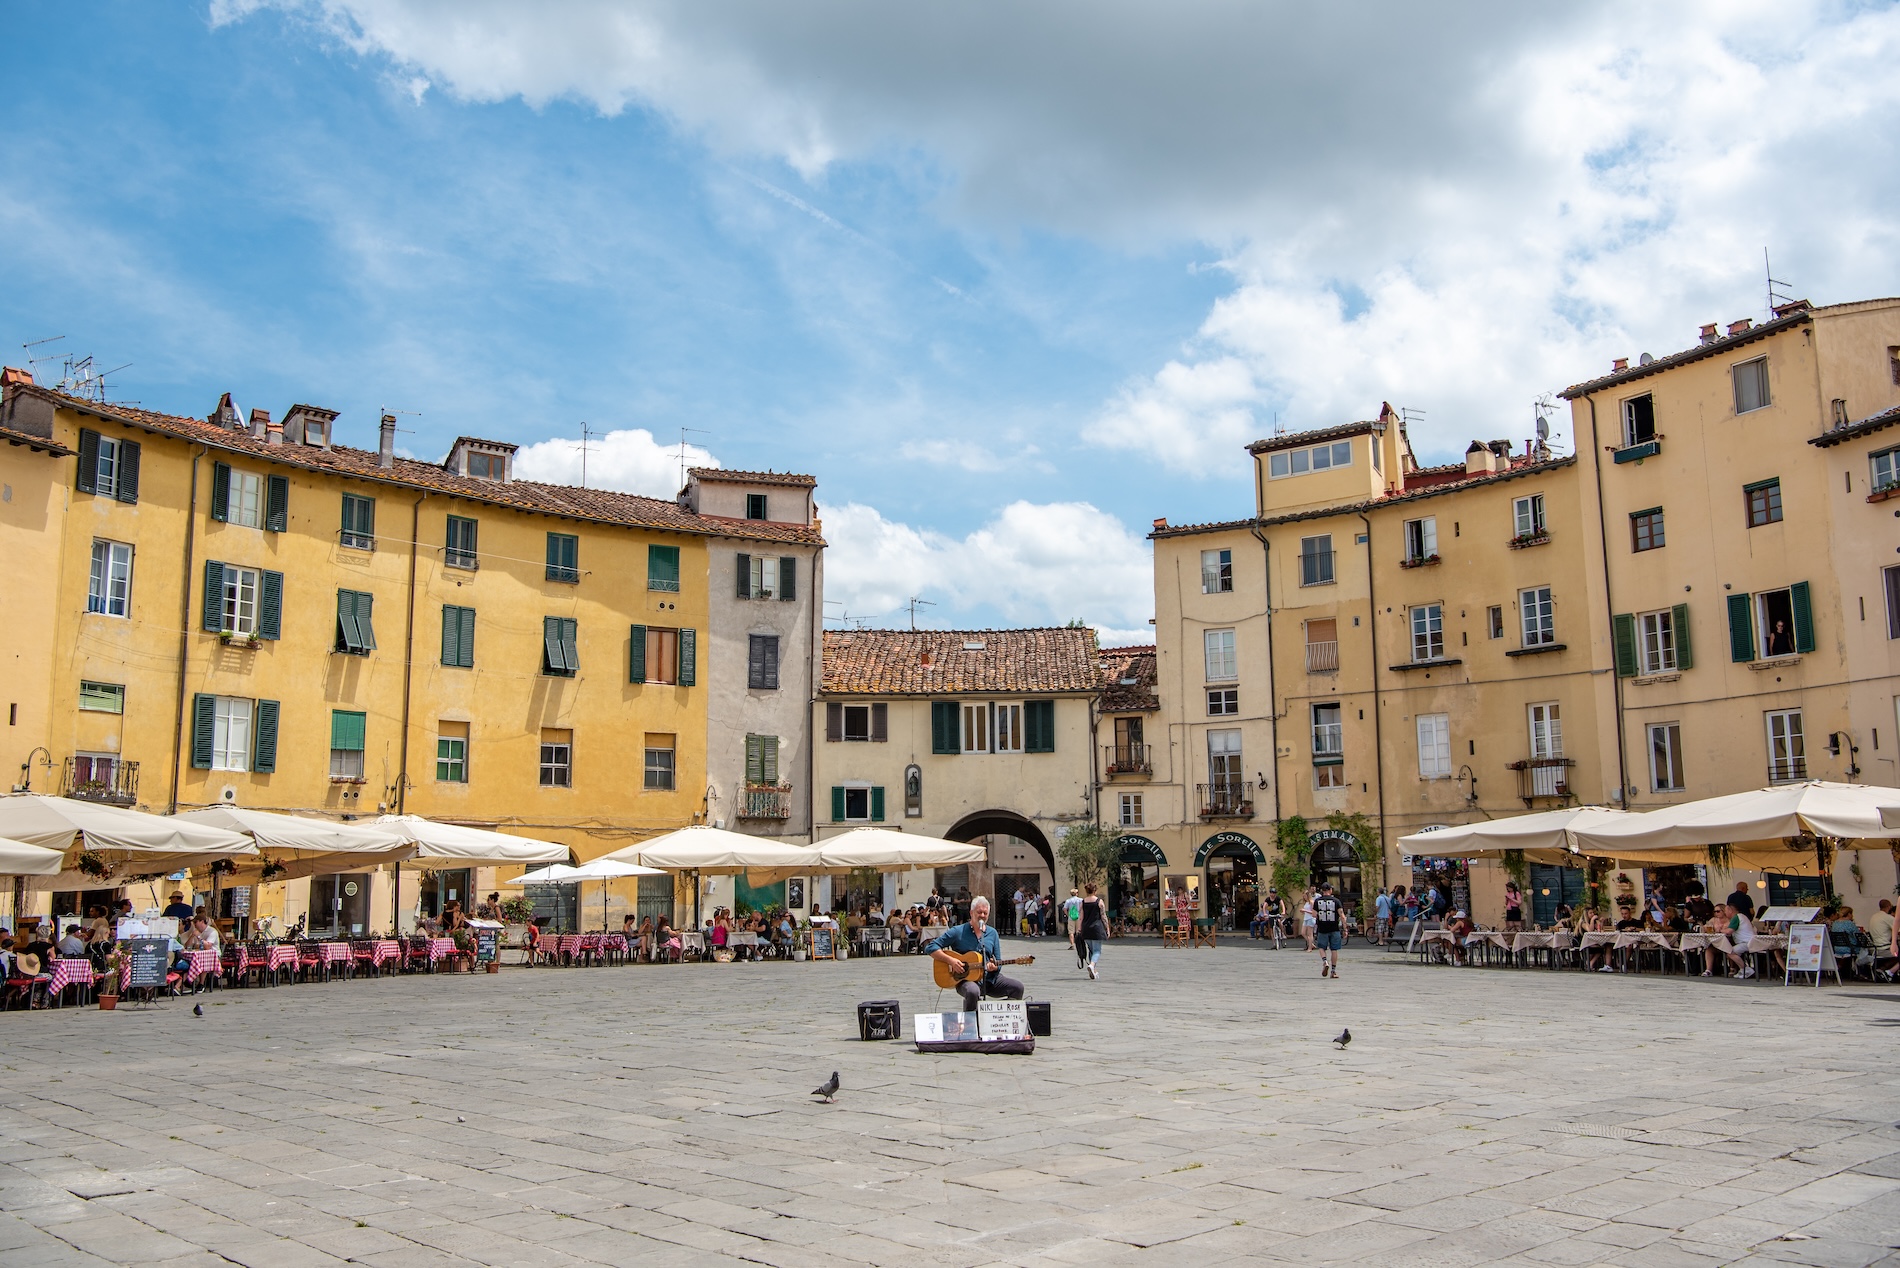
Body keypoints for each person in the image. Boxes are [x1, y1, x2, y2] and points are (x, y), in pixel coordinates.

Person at [925, 896, 1024, 1012]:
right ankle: (970, 1024)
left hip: (989, 979)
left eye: (985, 913)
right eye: (979, 912)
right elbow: (931, 947)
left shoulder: (992, 933)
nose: (982, 915)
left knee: (1018, 988)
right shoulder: (958, 931)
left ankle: (997, 1017)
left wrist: (994, 967)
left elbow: (998, 960)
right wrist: (951, 961)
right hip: (965, 979)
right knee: (973, 991)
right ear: (971, 913)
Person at [1713, 898, 1756, 979]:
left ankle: (1746, 969)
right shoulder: (1741, 916)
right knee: (1732, 951)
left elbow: (1729, 931)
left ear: (1730, 910)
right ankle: (1743, 969)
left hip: (1747, 942)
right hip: (1749, 941)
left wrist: (1720, 930)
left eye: (1725, 911)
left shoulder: (1736, 917)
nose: (1725, 913)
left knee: (1730, 952)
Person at [1077, 882, 1110, 980]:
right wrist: (1107, 928)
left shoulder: (1083, 902)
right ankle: (1091, 966)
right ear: (1095, 890)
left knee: (1091, 950)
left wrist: (1079, 929)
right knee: (1097, 951)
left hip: (1086, 929)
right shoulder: (1099, 901)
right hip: (1097, 928)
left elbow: (1081, 917)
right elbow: (1103, 916)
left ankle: (1093, 971)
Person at [1312, 882, 1343, 978]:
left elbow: (1314, 914)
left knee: (1321, 947)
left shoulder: (1317, 901)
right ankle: (1333, 971)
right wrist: (1345, 928)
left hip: (1322, 928)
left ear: (1322, 891)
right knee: (1334, 949)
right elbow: (1342, 915)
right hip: (1334, 928)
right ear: (1330, 890)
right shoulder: (1336, 901)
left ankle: (1325, 961)